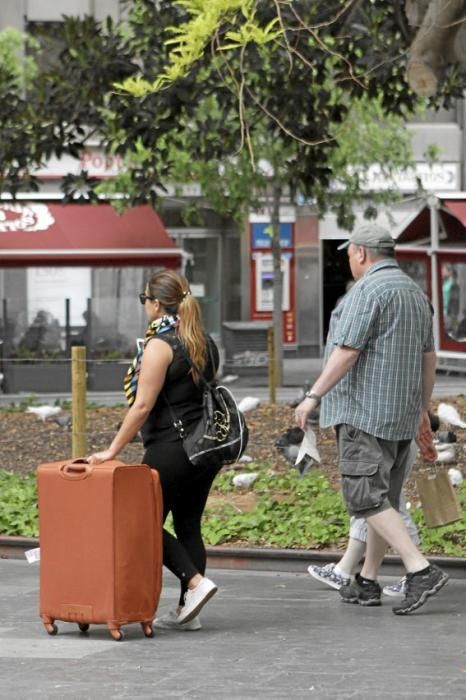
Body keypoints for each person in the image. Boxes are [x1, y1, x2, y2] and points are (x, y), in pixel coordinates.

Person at [295, 223, 448, 615]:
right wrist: (422, 410)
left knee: (363, 496)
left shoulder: (367, 291)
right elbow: (428, 357)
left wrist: (313, 396)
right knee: (386, 500)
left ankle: (420, 568)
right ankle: (367, 579)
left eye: (348, 254)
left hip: (365, 413)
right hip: (401, 414)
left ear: (361, 253)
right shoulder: (416, 293)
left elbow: (347, 352)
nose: (349, 261)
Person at [88, 269, 220, 631]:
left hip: (171, 449)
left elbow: (142, 406)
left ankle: (195, 583)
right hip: (205, 449)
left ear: (157, 304)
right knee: (188, 524)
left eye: (143, 299)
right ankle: (186, 613)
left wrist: (112, 450)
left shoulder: (160, 346)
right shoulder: (203, 341)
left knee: (138, 523)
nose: (143, 304)